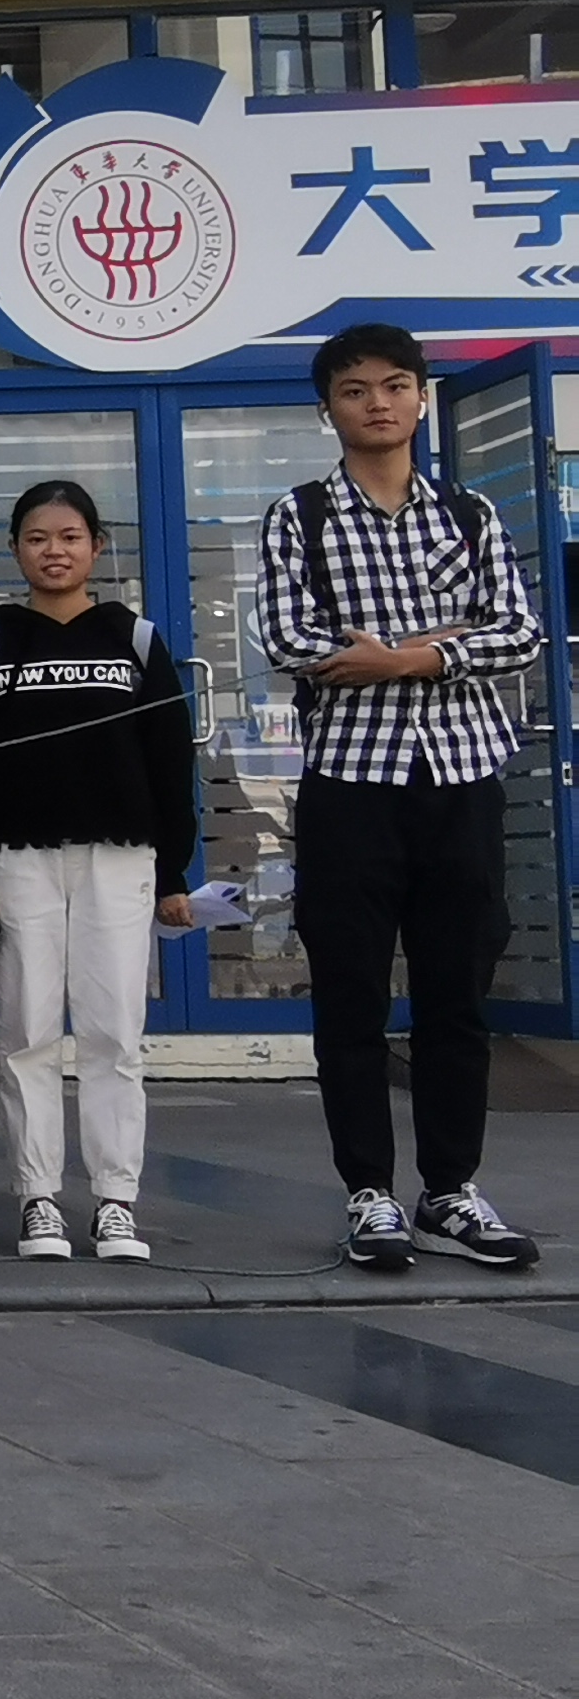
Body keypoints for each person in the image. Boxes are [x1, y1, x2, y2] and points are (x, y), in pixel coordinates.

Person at [257, 322, 546, 1273]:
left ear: (422, 397)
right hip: (350, 785)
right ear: (328, 409)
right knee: (349, 996)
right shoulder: (300, 517)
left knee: (456, 997)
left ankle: (450, 1191)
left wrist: (404, 657)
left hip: (461, 780)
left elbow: (519, 633)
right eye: (354, 390)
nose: (376, 403)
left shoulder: (470, 514)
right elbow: (293, 641)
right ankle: (370, 1194)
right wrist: (445, 641)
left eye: (393, 385)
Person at [0, 480, 196, 1269]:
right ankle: (38, 1197)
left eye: (70, 537)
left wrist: (175, 873)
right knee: (25, 1032)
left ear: (96, 547)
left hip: (120, 861)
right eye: (37, 538)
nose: (54, 551)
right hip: (14, 863)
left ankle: (116, 1200)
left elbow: (171, 762)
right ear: (15, 549)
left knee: (114, 1031)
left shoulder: (137, 640)